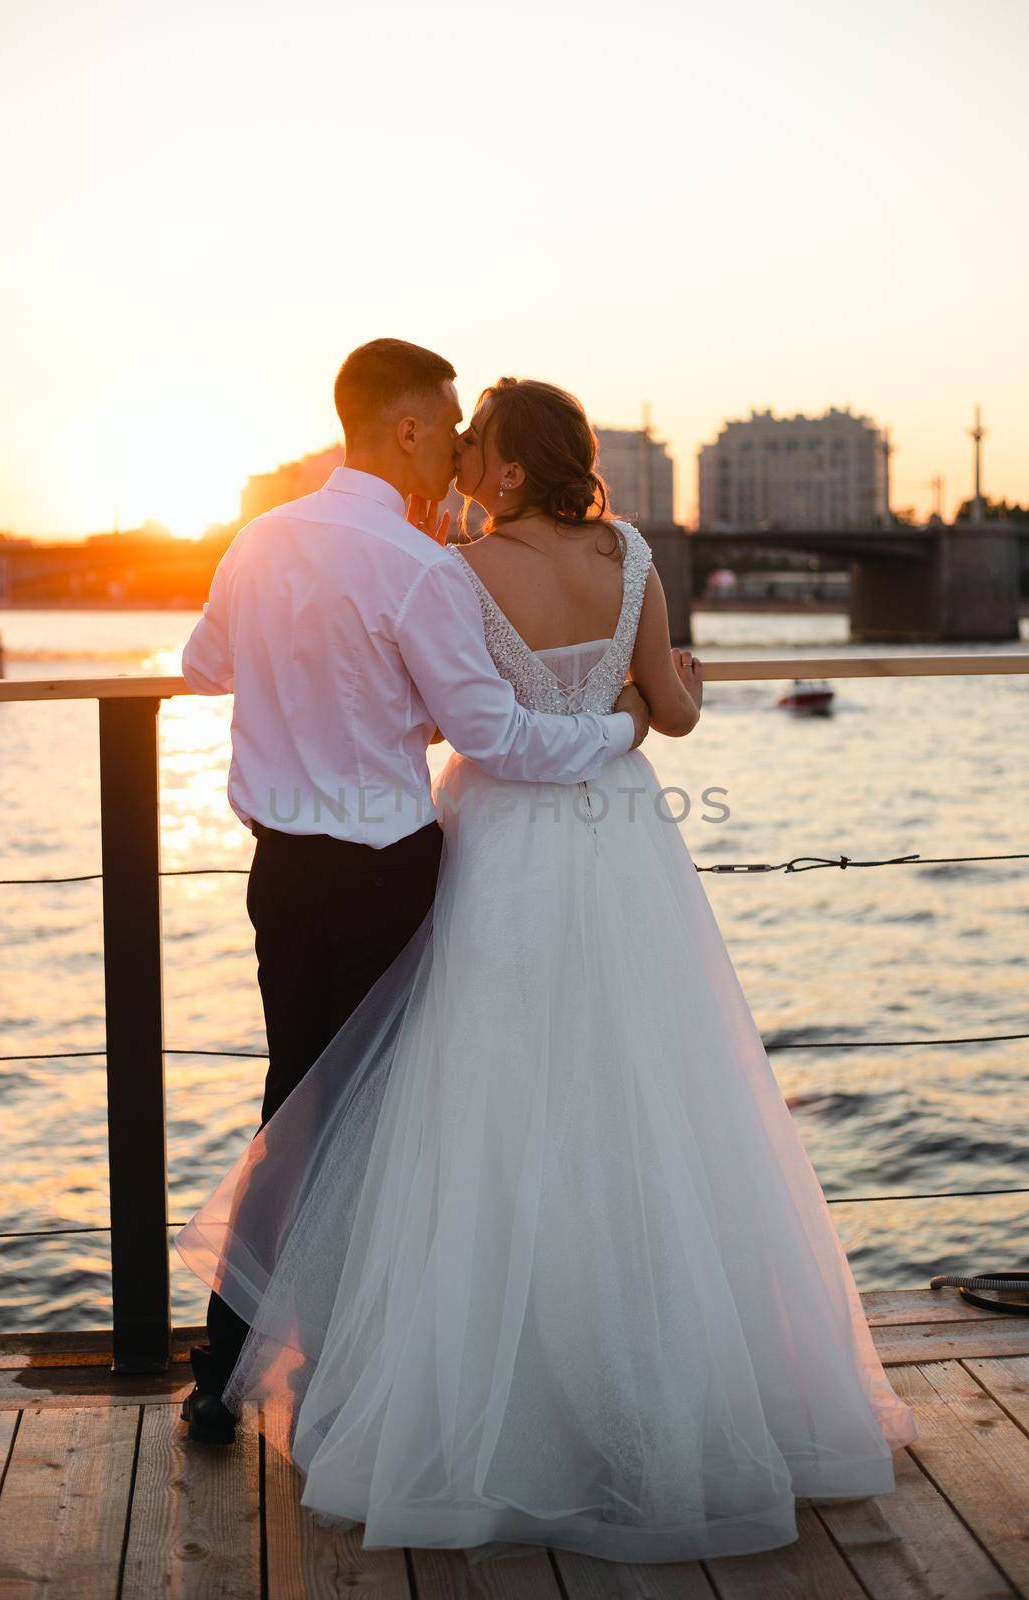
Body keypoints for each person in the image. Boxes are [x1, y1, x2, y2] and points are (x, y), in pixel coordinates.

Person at [175, 374, 917, 1567]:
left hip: (482, 851)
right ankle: (673, 1377)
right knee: (649, 1090)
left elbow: (437, 718)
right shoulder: (625, 552)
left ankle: (319, 1369)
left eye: (477, 448)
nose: (461, 460)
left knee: (469, 1097)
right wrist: (640, 706)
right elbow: (668, 710)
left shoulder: (445, 571)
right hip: (621, 841)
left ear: (507, 469)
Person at [176, 341, 650, 1446]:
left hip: (280, 874)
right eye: (446, 427)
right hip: (385, 873)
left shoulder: (256, 540)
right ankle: (369, 1376)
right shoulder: (419, 566)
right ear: (403, 431)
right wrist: (622, 725)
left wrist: (306, 671)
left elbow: (203, 668)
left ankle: (225, 1369)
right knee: (388, 1120)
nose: (457, 448)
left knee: (292, 1103)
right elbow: (499, 739)